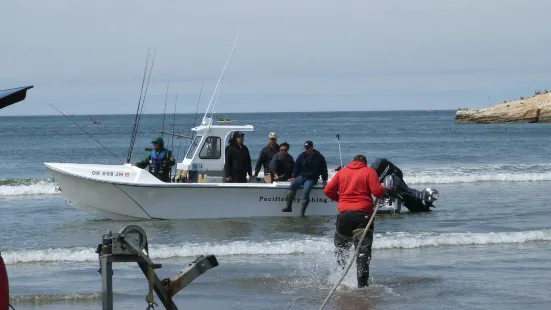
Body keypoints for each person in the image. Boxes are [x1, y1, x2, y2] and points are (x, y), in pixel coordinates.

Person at [323, 154, 386, 288]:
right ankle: (362, 285)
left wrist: (341, 200)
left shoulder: (342, 172)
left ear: (353, 161)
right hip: (362, 216)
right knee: (363, 251)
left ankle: (339, 279)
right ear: (365, 162)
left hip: (344, 215)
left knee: (341, 249)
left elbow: (328, 190)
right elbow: (376, 191)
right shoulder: (369, 171)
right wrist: (384, 189)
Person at [282, 140, 328, 216]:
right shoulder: (301, 156)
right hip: (301, 176)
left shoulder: (319, 157)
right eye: (305, 148)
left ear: (312, 147)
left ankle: (302, 212)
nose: (307, 150)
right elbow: (296, 167)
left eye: (308, 148)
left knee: (306, 192)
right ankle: (288, 206)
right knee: (293, 185)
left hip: (311, 178)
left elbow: (324, 169)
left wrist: (324, 180)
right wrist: (294, 177)